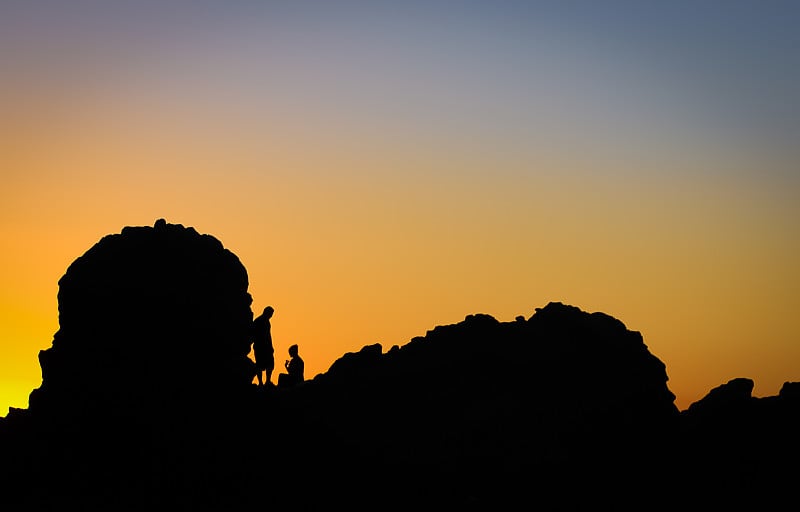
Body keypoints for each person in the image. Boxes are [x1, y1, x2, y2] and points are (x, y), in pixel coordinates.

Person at [251, 306, 275, 386]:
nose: (271, 316)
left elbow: (268, 335)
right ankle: (262, 382)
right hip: (261, 347)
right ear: (266, 312)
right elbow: (255, 334)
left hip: (264, 346)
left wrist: (271, 346)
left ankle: (267, 381)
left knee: (268, 364)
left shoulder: (265, 321)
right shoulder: (259, 321)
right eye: (270, 314)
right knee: (260, 365)